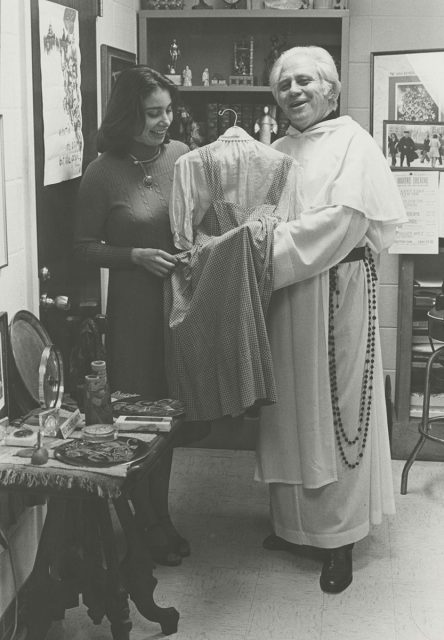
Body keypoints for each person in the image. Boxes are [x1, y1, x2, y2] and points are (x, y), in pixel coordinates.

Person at [255, 46, 408, 594]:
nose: (293, 92)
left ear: (331, 89)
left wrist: (263, 250)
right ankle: (293, 523)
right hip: (286, 299)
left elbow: (343, 221)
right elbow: (258, 216)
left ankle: (338, 537)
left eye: (304, 82)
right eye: (283, 85)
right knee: (289, 408)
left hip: (334, 292)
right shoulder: (275, 149)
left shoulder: (354, 144)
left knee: (337, 411)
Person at [74, 65, 205, 566]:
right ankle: (140, 522)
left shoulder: (182, 158)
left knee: (169, 418)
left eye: (169, 110)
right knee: (137, 417)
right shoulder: (101, 172)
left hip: (179, 304)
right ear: (128, 115)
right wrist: (133, 256)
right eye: (153, 113)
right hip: (131, 312)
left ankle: (161, 516)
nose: (165, 122)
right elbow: (83, 249)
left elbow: (203, 218)